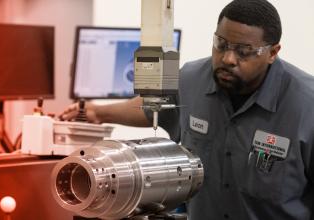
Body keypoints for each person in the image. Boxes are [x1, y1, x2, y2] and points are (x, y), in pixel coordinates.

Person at [59, 0, 314, 219]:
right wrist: (97, 112)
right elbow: (151, 109)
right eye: (221, 44)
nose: (228, 59)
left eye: (244, 51)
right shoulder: (191, 79)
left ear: (272, 53)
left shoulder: (307, 105)